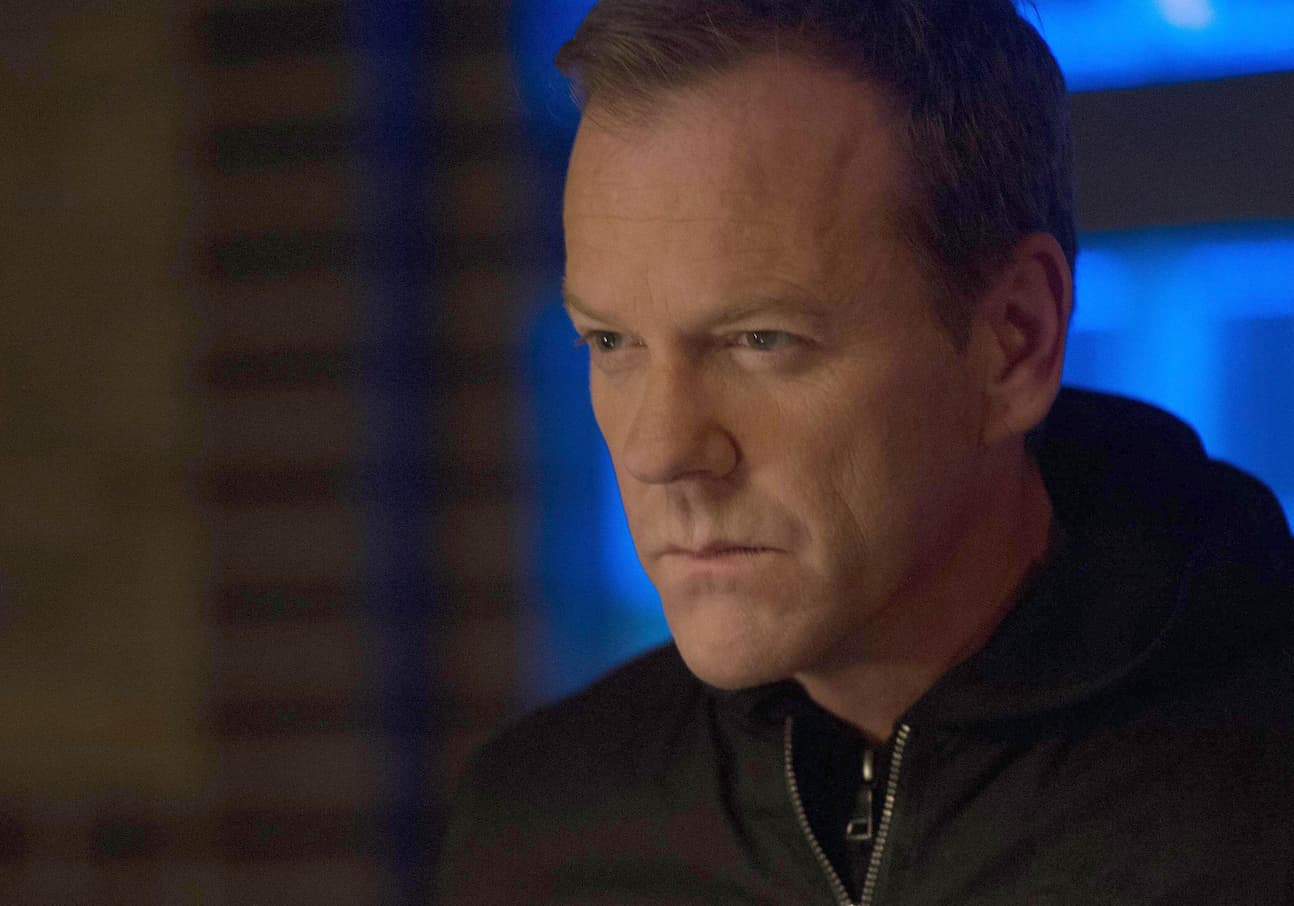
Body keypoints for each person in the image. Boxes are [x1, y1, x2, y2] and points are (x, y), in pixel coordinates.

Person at [437, 1, 1294, 903]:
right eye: (611, 342)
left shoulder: (1257, 804)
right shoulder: (536, 832)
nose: (659, 451)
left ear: (1014, 340)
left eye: (760, 339)